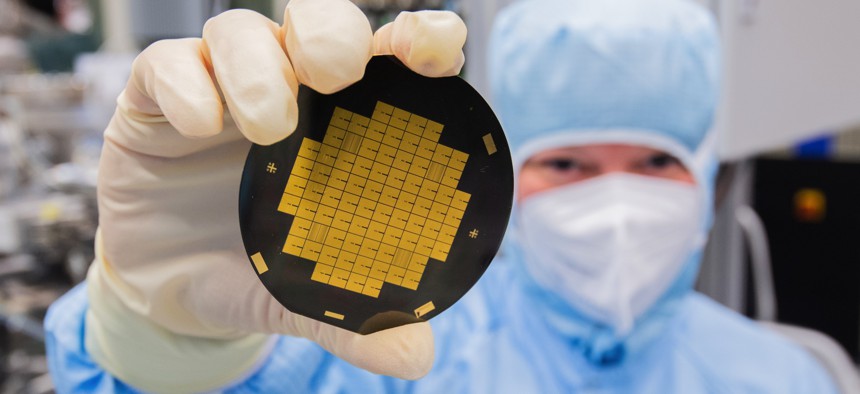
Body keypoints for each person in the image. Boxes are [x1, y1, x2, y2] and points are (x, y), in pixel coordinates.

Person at [44, 0, 838, 392]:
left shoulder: (784, 378)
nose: (617, 203)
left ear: (707, 182)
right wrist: (166, 341)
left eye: (655, 165)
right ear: (512, 179)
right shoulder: (392, 354)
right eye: (568, 165)